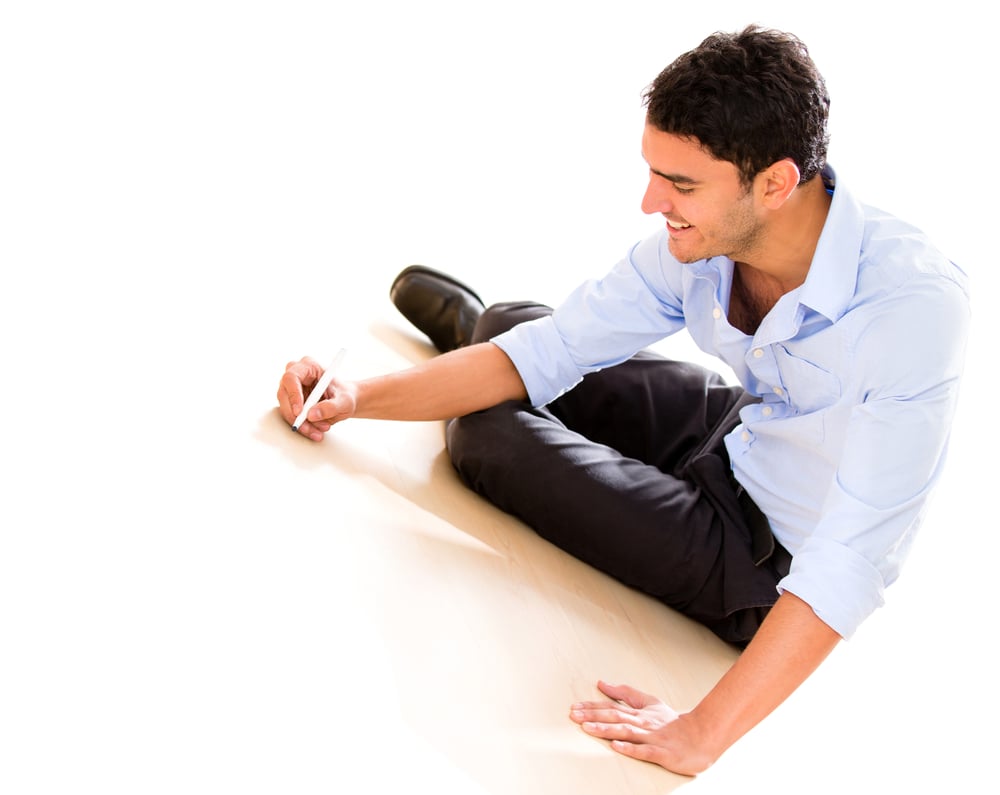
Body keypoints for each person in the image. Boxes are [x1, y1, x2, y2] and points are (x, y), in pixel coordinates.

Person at [276, 26, 970, 776]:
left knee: (485, 438)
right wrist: (351, 397)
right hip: (739, 428)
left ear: (774, 183)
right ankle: (481, 342)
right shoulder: (707, 237)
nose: (651, 202)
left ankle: (478, 366)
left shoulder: (912, 310)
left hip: (764, 550)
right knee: (521, 327)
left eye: (680, 184)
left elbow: (851, 561)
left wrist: (703, 732)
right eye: (653, 173)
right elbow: (559, 344)